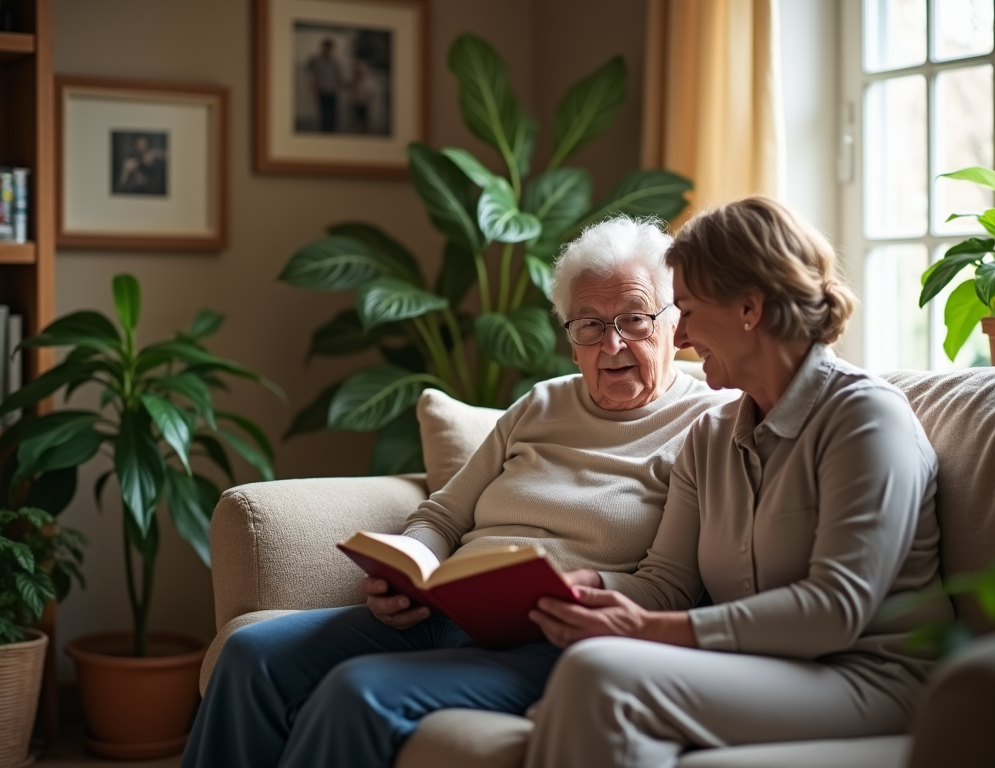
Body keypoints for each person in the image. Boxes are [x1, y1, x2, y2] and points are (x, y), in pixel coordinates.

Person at [179, 216, 736, 768]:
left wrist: (585, 588)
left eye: (634, 319)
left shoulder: (708, 424)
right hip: (439, 613)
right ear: (570, 340)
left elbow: (670, 588)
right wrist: (411, 567)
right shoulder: (541, 404)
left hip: (552, 639)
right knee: (249, 654)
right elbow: (443, 515)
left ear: (674, 325)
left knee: (359, 691)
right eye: (588, 324)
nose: (611, 343)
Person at [524, 197, 954, 768]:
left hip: (874, 678)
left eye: (690, 311)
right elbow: (665, 583)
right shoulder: (710, 436)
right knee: (588, 671)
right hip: (763, 670)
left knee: (601, 677)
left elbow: (834, 608)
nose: (678, 338)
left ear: (750, 308)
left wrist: (648, 630)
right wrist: (583, 589)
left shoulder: (866, 419)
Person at [307, 38, 344, 132]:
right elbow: (310, 75)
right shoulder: (316, 60)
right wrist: (313, 91)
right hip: (322, 91)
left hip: (332, 92)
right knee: (324, 115)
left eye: (330, 48)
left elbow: (338, 77)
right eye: (326, 48)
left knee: (333, 115)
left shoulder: (335, 62)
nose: (328, 50)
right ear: (323, 48)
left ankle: (331, 133)